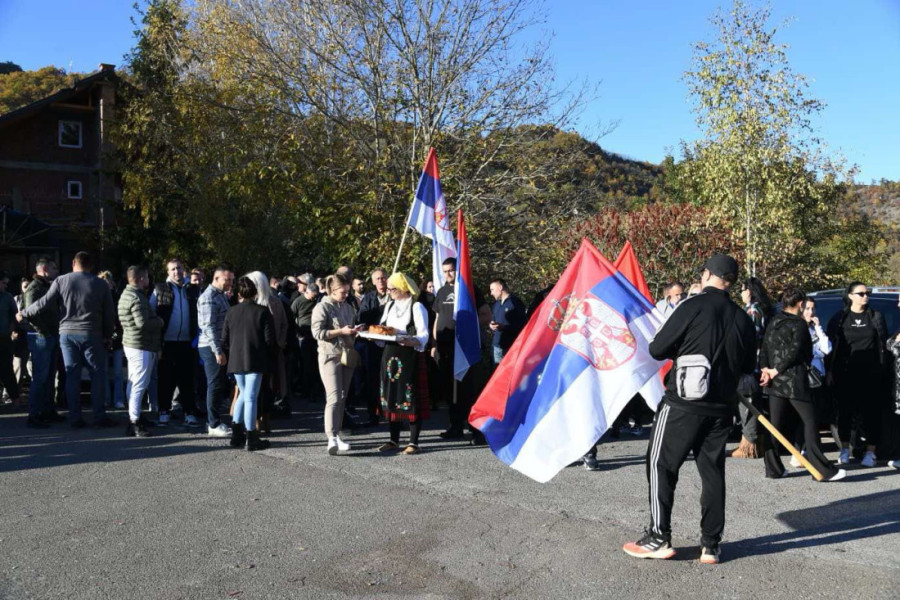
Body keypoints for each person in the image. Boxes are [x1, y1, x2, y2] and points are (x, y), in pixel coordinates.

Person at [623, 253, 755, 565]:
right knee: (712, 472)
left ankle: (658, 536)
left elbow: (657, 348)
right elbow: (748, 366)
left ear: (707, 274)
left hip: (683, 401)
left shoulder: (692, 306)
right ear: (731, 282)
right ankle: (711, 544)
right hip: (722, 407)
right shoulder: (743, 318)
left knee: (661, 464)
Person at [19, 252, 116, 428]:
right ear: (91, 265)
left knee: (72, 376)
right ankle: (99, 416)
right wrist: (108, 335)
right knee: (97, 375)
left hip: (66, 334)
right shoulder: (101, 284)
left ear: (73, 263)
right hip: (91, 333)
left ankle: (75, 418)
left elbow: (43, 303)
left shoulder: (61, 280)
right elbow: (109, 313)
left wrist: (24, 313)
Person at [758, 287, 845, 482]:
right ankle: (821, 469)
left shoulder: (774, 321)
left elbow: (764, 347)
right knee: (810, 421)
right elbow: (798, 351)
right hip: (794, 380)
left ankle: (773, 468)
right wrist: (775, 369)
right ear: (800, 304)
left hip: (774, 382)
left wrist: (766, 369)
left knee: (775, 425)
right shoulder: (799, 324)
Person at [826, 282, 888, 467]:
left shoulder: (876, 316)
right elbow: (831, 347)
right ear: (850, 296)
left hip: (871, 374)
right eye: (861, 293)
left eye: (867, 293)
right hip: (845, 373)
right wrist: (829, 370)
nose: (865, 296)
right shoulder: (840, 318)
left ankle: (871, 453)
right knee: (844, 413)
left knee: (871, 414)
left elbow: (883, 344)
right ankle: (845, 449)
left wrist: (883, 370)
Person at [432, 258, 490, 443]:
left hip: (464, 350)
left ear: (458, 270)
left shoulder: (470, 290)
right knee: (450, 392)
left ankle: (476, 432)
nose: (448, 274)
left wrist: (468, 329)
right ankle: (455, 427)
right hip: (445, 349)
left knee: (468, 391)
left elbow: (486, 314)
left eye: (451, 270)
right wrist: (434, 344)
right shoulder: (441, 291)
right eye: (445, 271)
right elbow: (437, 318)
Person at [375, 273, 430, 454]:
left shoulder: (416, 306)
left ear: (403, 289)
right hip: (390, 355)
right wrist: (375, 336)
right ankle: (393, 439)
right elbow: (382, 329)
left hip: (408, 355)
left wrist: (412, 341)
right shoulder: (389, 305)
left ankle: (413, 441)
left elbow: (423, 335)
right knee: (392, 395)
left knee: (409, 395)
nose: (389, 292)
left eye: (392, 289)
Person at [223, 276, 275, 451]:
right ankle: (251, 436)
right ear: (255, 292)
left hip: (236, 359)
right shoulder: (262, 311)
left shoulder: (231, 311)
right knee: (250, 397)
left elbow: (225, 339)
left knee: (243, 395)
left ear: (239, 293)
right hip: (255, 358)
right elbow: (270, 340)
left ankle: (236, 433)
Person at [311, 273, 359, 454]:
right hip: (329, 355)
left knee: (343, 396)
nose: (346, 295)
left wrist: (354, 331)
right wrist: (341, 331)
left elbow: (349, 329)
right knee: (333, 396)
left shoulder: (348, 307)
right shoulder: (322, 307)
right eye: (342, 292)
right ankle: (330, 437)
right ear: (332, 290)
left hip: (347, 355)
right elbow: (317, 332)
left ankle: (337, 434)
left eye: (347, 291)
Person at [150, 258, 201, 427]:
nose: (176, 271)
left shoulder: (194, 290)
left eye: (179, 268)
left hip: (188, 342)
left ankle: (189, 412)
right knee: (166, 379)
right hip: (167, 342)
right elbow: (151, 312)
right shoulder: (159, 289)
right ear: (168, 272)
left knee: (187, 379)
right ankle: (164, 411)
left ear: (184, 270)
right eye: (172, 269)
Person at [730, 277, 774, 459]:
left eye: (742, 289)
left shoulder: (753, 310)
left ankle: (749, 444)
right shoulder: (762, 309)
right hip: (757, 361)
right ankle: (754, 441)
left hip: (752, 362)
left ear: (750, 291)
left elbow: (751, 337)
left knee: (748, 402)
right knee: (751, 402)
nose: (741, 293)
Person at [118, 266, 164, 438]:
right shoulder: (136, 297)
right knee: (139, 384)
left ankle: (134, 415)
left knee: (133, 382)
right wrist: (159, 321)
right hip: (141, 345)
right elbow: (142, 323)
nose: (149, 280)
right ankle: (135, 421)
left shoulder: (126, 294)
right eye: (147, 277)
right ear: (141, 278)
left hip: (132, 343)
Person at [244, 271, 288, 433]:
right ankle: (253, 420)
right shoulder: (246, 302)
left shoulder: (275, 302)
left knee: (270, 387)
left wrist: (280, 343)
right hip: (253, 351)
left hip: (272, 351)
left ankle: (266, 418)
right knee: (254, 388)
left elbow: (283, 323)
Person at [22, 258, 63, 428]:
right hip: (41, 337)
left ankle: (47, 410)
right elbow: (30, 314)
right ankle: (35, 414)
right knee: (40, 377)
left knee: (48, 376)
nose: (56, 271)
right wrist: (45, 333)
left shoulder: (46, 286)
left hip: (50, 336)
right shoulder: (34, 287)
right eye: (54, 268)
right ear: (44, 269)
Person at [198, 266, 235, 437]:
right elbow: (208, 327)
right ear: (216, 278)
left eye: (231, 280)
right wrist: (217, 351)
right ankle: (213, 423)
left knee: (219, 384)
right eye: (227, 279)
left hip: (219, 345)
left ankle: (216, 420)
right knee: (214, 383)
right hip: (211, 347)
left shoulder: (220, 296)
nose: (230, 283)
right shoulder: (208, 297)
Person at [358, 268, 390, 425]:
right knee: (372, 379)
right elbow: (362, 317)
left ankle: (392, 413)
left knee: (390, 378)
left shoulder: (394, 295)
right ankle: (373, 414)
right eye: (377, 279)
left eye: (383, 278)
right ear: (373, 281)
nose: (381, 281)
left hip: (390, 343)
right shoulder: (369, 298)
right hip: (372, 344)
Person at [99, 270, 125, 410]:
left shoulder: (118, 298)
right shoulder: (96, 299)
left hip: (117, 338)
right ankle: (106, 399)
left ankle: (118, 399)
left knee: (117, 372)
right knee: (103, 371)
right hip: (101, 337)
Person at [291, 281, 322, 401]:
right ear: (306, 292)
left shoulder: (318, 300)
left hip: (316, 336)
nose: (314, 298)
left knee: (316, 364)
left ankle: (315, 390)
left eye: (316, 296)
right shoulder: (298, 301)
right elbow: (291, 317)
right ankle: (305, 390)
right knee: (306, 364)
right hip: (304, 336)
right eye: (312, 296)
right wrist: (298, 333)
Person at [488, 278, 526, 365]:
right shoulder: (496, 304)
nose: (491, 293)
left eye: (492, 289)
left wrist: (504, 327)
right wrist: (491, 325)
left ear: (500, 287)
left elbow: (522, 325)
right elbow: (492, 320)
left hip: (511, 347)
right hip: (496, 346)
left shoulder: (515, 303)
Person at [0, 271, 22, 407]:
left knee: (7, 370)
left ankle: (15, 399)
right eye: (3, 283)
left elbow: (15, 316)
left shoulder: (7, 297)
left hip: (3, 339)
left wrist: (11, 330)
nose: (6, 286)